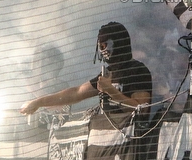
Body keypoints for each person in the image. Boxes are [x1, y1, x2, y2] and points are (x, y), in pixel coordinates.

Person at [20, 22, 152, 115]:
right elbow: (76, 93)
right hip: (105, 143)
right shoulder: (107, 74)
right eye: (100, 46)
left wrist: (111, 91)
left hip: (130, 145)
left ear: (118, 43)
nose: (102, 51)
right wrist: (38, 102)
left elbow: (141, 110)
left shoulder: (138, 70)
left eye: (105, 45)